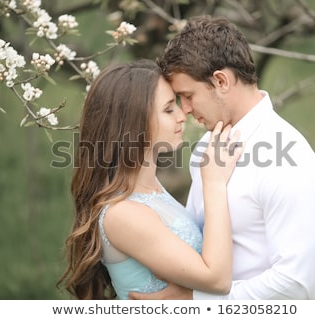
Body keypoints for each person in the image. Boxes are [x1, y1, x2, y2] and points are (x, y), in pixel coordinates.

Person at [129, 15, 315, 300]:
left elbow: (297, 285)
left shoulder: (291, 162)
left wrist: (192, 302)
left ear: (221, 81)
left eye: (187, 95)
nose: (184, 109)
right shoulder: (205, 147)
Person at [57, 59, 243, 299]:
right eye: (168, 109)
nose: (182, 115)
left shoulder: (150, 189)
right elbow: (216, 280)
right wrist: (214, 184)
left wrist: (188, 296)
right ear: (133, 124)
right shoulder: (123, 214)